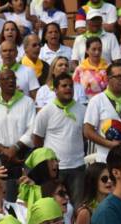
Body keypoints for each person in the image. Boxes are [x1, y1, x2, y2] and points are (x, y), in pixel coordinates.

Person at [31, 73, 86, 205]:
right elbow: (37, 137)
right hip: (55, 170)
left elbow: (85, 135)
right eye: (64, 86)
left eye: (71, 86)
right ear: (55, 90)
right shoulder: (46, 111)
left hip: (77, 167)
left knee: (77, 206)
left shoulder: (82, 110)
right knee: (54, 205)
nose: (68, 89)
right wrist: (47, 162)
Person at [83, 63, 121, 165]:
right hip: (105, 159)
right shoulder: (97, 101)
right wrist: (109, 144)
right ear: (108, 79)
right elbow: (87, 131)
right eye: (118, 76)